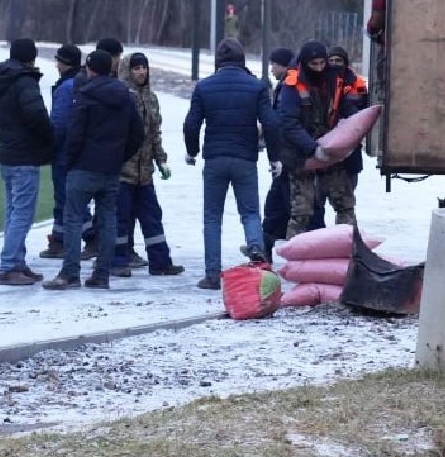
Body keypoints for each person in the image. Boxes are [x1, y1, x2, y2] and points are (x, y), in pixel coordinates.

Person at [184, 38, 280, 290]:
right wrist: (274, 157)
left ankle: (212, 275)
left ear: (218, 61)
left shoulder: (204, 87)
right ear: (242, 60)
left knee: (212, 218)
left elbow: (191, 124)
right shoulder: (256, 87)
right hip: (245, 158)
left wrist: (192, 151)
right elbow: (271, 123)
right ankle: (258, 257)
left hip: (215, 158)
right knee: (249, 212)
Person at [48, 49, 143, 290]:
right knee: (108, 219)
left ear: (89, 69)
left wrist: (69, 161)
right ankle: (101, 274)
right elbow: (137, 133)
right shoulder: (125, 97)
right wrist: (120, 156)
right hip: (111, 168)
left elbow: (75, 134)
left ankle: (70, 273)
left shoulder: (85, 96)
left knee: (73, 218)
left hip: (83, 166)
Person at [0, 38, 54, 286]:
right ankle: (8, 266)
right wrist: (50, 137)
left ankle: (16, 261)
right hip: (25, 155)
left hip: (7, 153)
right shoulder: (25, 82)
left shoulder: (2, 80)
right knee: (22, 215)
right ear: (31, 57)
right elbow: (36, 114)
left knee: (13, 212)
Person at [279, 40, 360, 237]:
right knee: (301, 212)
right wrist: (312, 148)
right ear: (304, 63)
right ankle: (295, 259)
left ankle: (349, 251)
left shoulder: (336, 80)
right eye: (313, 64)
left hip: (332, 151)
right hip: (302, 154)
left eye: (322, 63)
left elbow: (346, 106)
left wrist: (353, 124)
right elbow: (289, 123)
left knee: (345, 205)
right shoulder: (292, 84)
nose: (318, 68)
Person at [117, 52, 184, 276]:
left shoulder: (151, 98)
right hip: (123, 171)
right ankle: (117, 262)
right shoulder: (120, 96)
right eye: (136, 68)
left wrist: (161, 160)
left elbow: (155, 134)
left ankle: (160, 262)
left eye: (144, 67)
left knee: (152, 216)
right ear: (128, 71)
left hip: (144, 172)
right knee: (121, 218)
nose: (141, 72)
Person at [43, 43, 83, 260]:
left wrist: (50, 146)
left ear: (64, 63)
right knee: (72, 197)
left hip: (63, 152)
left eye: (59, 60)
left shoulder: (66, 87)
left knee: (65, 197)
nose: (56, 64)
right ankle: (59, 239)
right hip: (77, 150)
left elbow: (58, 123)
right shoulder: (81, 82)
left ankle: (65, 241)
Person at [260, 46, 295, 253]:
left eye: (274, 64)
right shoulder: (283, 84)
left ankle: (265, 246)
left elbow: (281, 121)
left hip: (287, 156)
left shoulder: (287, 87)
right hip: (284, 155)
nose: (271, 68)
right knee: (277, 203)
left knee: (283, 204)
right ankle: (264, 245)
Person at [327, 45, 369, 193]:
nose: (334, 63)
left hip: (350, 144)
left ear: (345, 62)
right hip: (326, 142)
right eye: (330, 60)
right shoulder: (322, 82)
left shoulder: (358, 84)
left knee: (347, 195)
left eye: (338, 60)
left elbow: (364, 112)